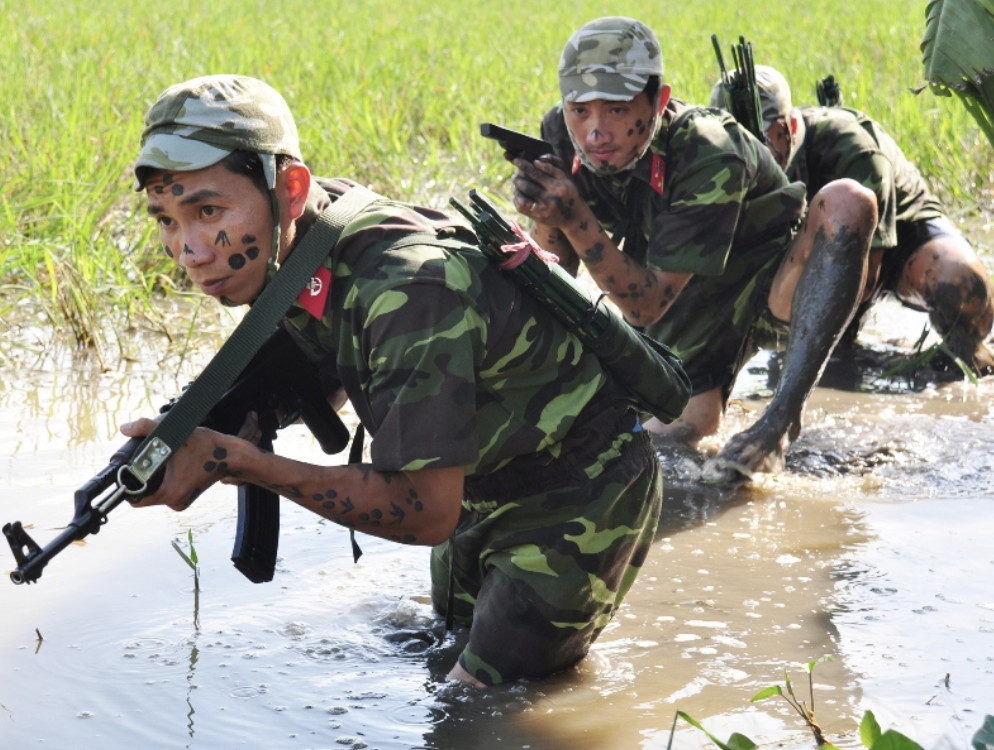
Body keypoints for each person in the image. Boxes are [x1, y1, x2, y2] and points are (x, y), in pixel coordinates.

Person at [121, 74, 679, 687]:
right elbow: (325, 364)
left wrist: (239, 461)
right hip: (481, 483)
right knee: (445, 645)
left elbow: (422, 512)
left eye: (208, 210)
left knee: (475, 704)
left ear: (290, 187)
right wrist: (235, 416)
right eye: (166, 221)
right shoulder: (304, 239)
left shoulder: (406, 289)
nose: (190, 250)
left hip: (580, 490)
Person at [509, 17, 878, 477]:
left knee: (848, 202)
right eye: (579, 109)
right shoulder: (563, 137)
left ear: (658, 101)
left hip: (772, 287)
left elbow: (645, 306)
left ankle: (782, 417)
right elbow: (553, 273)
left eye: (617, 110)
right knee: (673, 447)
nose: (595, 132)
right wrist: (544, 217)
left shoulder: (708, 150)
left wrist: (574, 217)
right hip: (691, 295)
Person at [708, 65, 994, 374]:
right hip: (814, 251)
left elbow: (864, 277)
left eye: (762, 138)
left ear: (789, 126)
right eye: (738, 141)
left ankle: (962, 362)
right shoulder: (727, 165)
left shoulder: (851, 146)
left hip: (897, 243)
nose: (752, 152)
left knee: (965, 290)